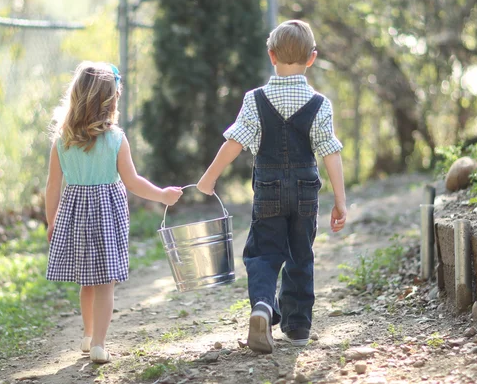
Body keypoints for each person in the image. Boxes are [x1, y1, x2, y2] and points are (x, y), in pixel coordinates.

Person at [197, 20, 347, 354]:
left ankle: (263, 306)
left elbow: (234, 143)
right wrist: (341, 201)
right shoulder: (320, 104)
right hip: (306, 190)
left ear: (271, 55)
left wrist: (209, 178)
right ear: (312, 58)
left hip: (268, 188)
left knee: (263, 251)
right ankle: (297, 327)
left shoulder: (255, 100)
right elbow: (331, 154)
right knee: (300, 254)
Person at [45, 61, 183, 363]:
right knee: (106, 282)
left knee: (87, 281)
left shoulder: (62, 141)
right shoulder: (116, 140)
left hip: (75, 215)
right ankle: (99, 344)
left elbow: (53, 186)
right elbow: (133, 182)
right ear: (111, 101)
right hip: (107, 216)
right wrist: (162, 195)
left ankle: (87, 335)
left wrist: (51, 220)